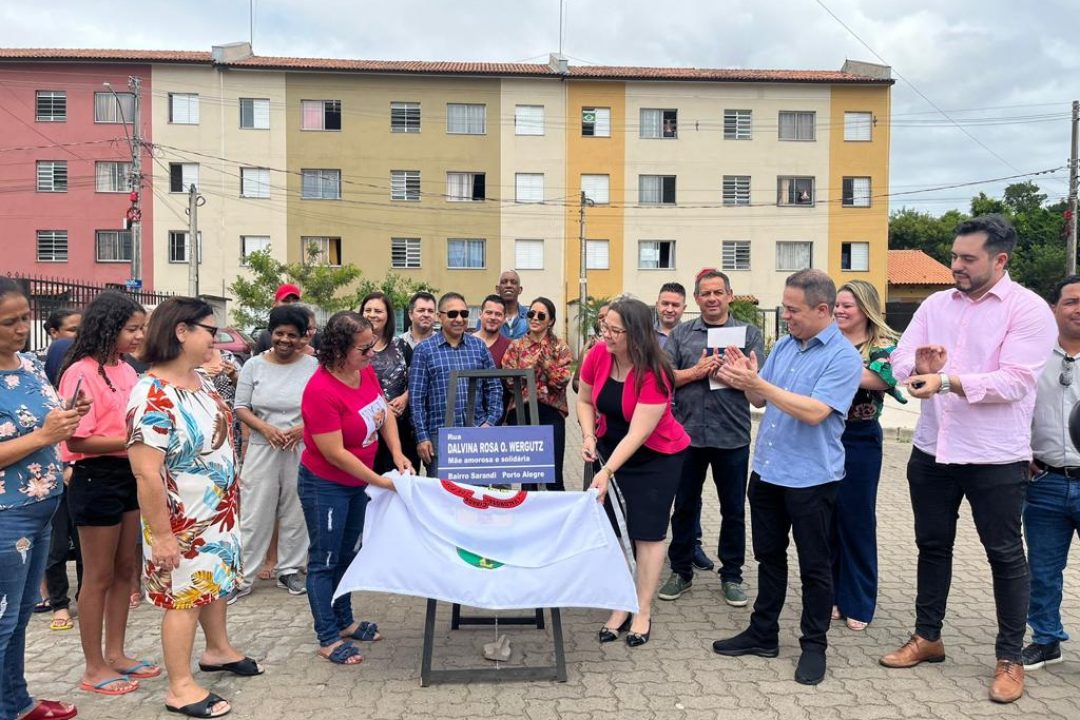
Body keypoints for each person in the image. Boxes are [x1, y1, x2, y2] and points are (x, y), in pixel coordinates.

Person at [880, 215, 1057, 703]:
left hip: (995, 456)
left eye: (967, 259)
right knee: (931, 545)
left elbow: (1017, 380)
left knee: (1004, 555)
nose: (955, 265)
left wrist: (948, 380)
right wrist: (919, 367)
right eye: (955, 256)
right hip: (933, 447)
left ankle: (1009, 658)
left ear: (1000, 260)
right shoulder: (936, 303)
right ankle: (928, 637)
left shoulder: (1029, 310)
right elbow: (898, 359)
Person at [711, 269, 862, 687]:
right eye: (785, 308)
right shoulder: (786, 346)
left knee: (815, 566)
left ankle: (814, 645)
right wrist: (746, 379)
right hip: (769, 472)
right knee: (768, 557)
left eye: (793, 310)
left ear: (822, 310)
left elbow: (815, 412)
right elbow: (759, 399)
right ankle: (763, 633)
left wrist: (760, 383)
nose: (786, 316)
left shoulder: (843, 357)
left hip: (812, 479)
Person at [127, 297, 261, 719]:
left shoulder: (199, 381)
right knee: (183, 599)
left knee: (214, 585)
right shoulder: (152, 396)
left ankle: (218, 650)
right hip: (180, 521)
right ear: (181, 331)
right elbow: (146, 474)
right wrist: (163, 535)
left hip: (215, 514)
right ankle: (179, 686)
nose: (216, 339)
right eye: (209, 330)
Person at [298, 311, 411, 665]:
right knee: (324, 560)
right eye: (364, 348)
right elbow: (334, 452)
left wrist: (396, 452)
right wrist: (379, 481)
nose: (371, 354)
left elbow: (386, 414)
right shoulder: (319, 390)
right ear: (339, 349)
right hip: (326, 485)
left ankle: (344, 621)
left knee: (348, 555)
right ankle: (328, 636)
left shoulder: (363, 372)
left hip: (356, 483)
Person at [56, 291, 154, 696]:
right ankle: (94, 666)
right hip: (95, 477)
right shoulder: (80, 372)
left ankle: (116, 654)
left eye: (141, 328)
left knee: (125, 570)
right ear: (108, 327)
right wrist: (131, 438)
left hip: (128, 473)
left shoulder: (128, 369)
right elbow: (76, 441)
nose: (138, 336)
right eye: (132, 328)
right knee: (95, 575)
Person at [578, 297, 690, 647]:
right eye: (604, 327)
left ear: (637, 334)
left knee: (647, 533)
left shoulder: (656, 372)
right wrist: (587, 436)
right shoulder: (598, 355)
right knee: (614, 529)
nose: (606, 335)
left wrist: (608, 470)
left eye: (614, 330)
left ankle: (642, 608)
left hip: (656, 458)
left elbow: (639, 432)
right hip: (611, 452)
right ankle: (619, 604)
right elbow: (583, 400)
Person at [0, 277, 85, 720]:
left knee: (16, 622)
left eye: (24, 317)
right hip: (6, 517)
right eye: (8, 321)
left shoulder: (29, 363)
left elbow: (43, 424)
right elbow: (34, 435)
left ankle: (15, 701)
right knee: (2, 622)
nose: (20, 327)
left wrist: (67, 419)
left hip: (40, 510)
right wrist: (43, 435)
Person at [659, 270, 764, 608]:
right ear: (697, 298)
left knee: (733, 509)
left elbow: (756, 385)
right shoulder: (682, 334)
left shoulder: (748, 334)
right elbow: (665, 379)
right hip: (686, 436)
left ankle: (732, 574)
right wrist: (697, 372)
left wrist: (736, 375)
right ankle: (680, 571)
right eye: (706, 293)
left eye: (719, 292)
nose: (713, 298)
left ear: (730, 295)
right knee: (684, 507)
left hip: (731, 436)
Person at [831, 280, 904, 631]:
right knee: (826, 519)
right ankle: (832, 594)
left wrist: (834, 369)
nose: (840, 310)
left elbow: (882, 380)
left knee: (857, 519)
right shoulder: (827, 339)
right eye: (837, 305)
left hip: (860, 440)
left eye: (848, 305)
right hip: (823, 436)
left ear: (865, 308)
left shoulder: (881, 345)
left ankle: (858, 599)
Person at [232, 305, 317, 603]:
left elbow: (324, 407)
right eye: (279, 333)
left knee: (296, 510)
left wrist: (302, 429)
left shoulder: (313, 367)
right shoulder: (254, 366)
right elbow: (241, 407)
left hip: (300, 446)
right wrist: (265, 429)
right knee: (256, 511)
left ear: (302, 337)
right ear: (271, 333)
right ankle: (244, 574)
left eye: (292, 335)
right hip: (262, 445)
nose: (284, 340)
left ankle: (290, 569)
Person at [1023, 275, 1080, 671]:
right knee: (1042, 569)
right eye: (1072, 301)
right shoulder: (1031, 355)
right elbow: (1013, 405)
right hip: (1043, 481)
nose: (1079, 309)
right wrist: (1019, 450)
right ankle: (1046, 639)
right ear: (1055, 307)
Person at [409, 293, 503, 477]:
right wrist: (422, 437)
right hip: (439, 438)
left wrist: (490, 422)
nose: (459, 319)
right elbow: (416, 398)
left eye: (464, 313)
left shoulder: (479, 347)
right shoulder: (424, 351)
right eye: (452, 314)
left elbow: (494, 387)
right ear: (440, 316)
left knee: (477, 499)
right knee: (443, 499)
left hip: (477, 435)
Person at [36, 308, 83, 627]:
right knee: (55, 543)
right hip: (49, 475)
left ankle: (88, 598)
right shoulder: (38, 390)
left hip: (82, 471)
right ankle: (59, 603)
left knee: (84, 545)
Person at [502, 297, 573, 490]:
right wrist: (532, 373)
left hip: (551, 411)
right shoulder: (516, 346)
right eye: (531, 314)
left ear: (550, 321)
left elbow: (562, 381)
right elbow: (508, 379)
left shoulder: (560, 347)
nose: (534, 318)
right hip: (522, 410)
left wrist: (547, 367)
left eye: (541, 315)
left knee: (553, 473)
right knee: (529, 472)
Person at [360, 292, 420, 473]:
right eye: (367, 310)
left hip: (401, 426)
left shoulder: (401, 346)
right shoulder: (354, 347)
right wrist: (382, 406)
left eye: (378, 311)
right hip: (367, 427)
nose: (372, 314)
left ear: (388, 315)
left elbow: (417, 380)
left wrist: (405, 397)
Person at [254, 284, 304, 353]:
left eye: (295, 302)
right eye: (285, 301)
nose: (291, 305)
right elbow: (256, 362)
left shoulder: (309, 335)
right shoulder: (265, 336)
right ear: (275, 304)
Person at [572, 303, 609, 395]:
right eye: (600, 317)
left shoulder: (624, 346)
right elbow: (576, 381)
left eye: (608, 315)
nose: (604, 319)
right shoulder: (590, 346)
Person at [486, 271, 528, 339]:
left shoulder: (529, 317)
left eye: (513, 282)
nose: (509, 285)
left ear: (520, 290)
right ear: (497, 289)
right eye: (504, 282)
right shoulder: (487, 317)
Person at [473, 294, 511, 368]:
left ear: (504, 318)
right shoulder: (466, 343)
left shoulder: (509, 347)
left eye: (498, 314)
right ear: (480, 314)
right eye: (489, 313)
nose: (493, 317)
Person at [654, 282, 686, 348]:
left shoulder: (690, 336)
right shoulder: (644, 336)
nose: (669, 310)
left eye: (675, 305)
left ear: (684, 308)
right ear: (657, 305)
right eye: (665, 304)